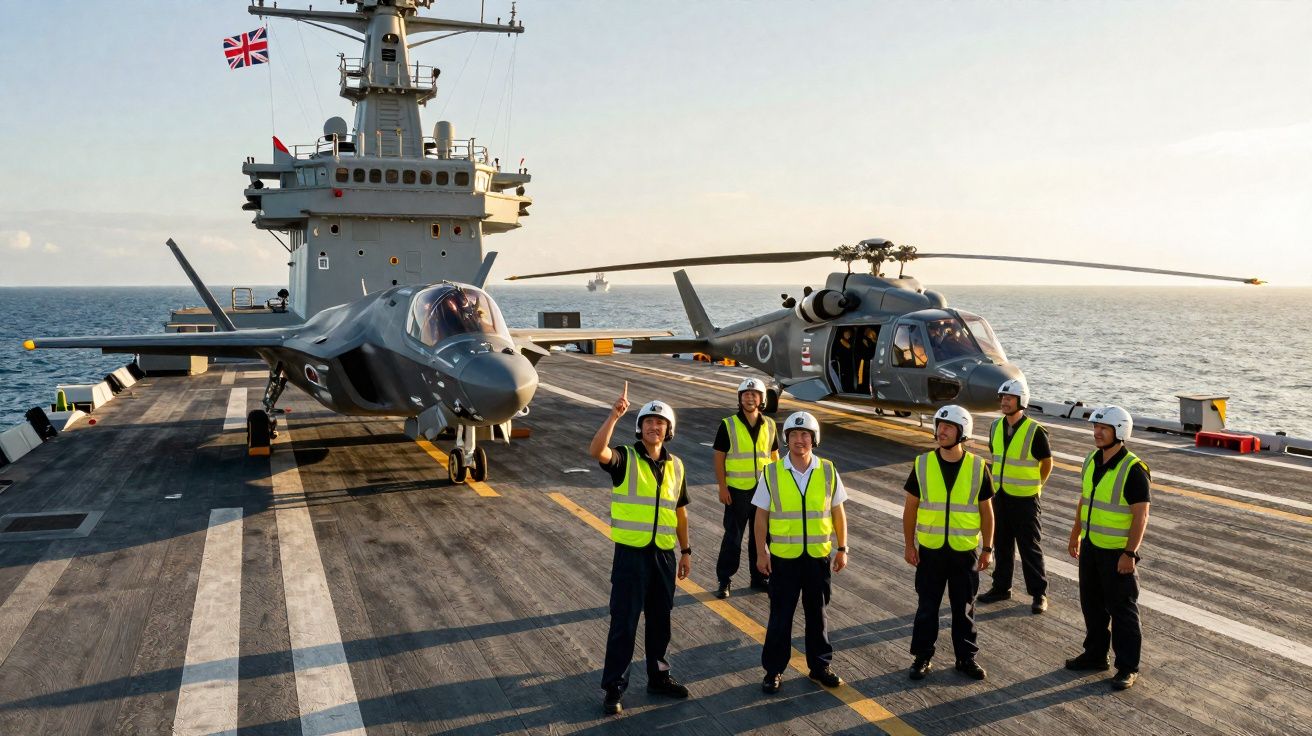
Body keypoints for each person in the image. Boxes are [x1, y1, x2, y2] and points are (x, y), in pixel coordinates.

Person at [589, 382, 692, 715]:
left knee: (661, 621)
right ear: (640, 427)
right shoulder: (625, 457)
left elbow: (680, 511)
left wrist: (686, 550)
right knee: (625, 622)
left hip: (663, 554)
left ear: (668, 429)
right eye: (648, 421)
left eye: (660, 422)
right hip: (631, 555)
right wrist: (613, 416)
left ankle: (658, 678)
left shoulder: (676, 466)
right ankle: (614, 688)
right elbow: (597, 451)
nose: (654, 426)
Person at [754, 411, 849, 694]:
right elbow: (761, 516)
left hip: (818, 558)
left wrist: (842, 547)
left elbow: (838, 512)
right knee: (780, 617)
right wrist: (762, 552)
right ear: (786, 440)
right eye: (794, 435)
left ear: (813, 439)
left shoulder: (828, 470)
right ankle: (773, 671)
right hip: (784, 559)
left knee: (817, 615)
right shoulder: (772, 472)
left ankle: (820, 666)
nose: (799, 440)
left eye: (805, 434)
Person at [903, 405, 995, 681]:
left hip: (964, 552)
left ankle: (965, 659)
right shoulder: (922, 463)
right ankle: (922, 657)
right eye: (939, 425)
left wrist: (988, 548)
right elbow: (911, 508)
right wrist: (909, 544)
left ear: (962, 432)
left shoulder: (978, 467)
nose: (940, 431)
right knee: (927, 607)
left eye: (948, 427)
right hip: (930, 551)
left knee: (964, 609)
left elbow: (987, 512)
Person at [1065, 405, 1151, 691]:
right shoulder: (1091, 460)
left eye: (1104, 428)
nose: (1097, 433)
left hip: (1117, 553)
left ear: (1120, 431)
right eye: (1095, 427)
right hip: (1091, 546)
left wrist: (1130, 553)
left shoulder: (1133, 469)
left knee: (1122, 610)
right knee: (1091, 604)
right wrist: (1076, 533)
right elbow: (1084, 500)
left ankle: (1128, 667)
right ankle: (1095, 655)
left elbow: (1141, 514)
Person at [979, 378, 1054, 613]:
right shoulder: (995, 426)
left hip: (1025, 499)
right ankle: (1001, 587)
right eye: (1002, 398)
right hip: (1000, 495)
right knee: (1002, 543)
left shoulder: (1035, 431)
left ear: (1021, 401)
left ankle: (1039, 594)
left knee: (1030, 547)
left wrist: (1037, 485)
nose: (1004, 402)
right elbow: (996, 458)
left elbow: (1047, 463)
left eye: (1009, 398)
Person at [713, 378, 778, 599]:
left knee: (762, 537)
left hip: (763, 490)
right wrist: (723, 487)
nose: (750, 398)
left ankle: (759, 577)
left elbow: (774, 456)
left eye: (754, 395)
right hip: (737, 491)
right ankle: (725, 580)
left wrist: (776, 488)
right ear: (740, 398)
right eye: (746, 394)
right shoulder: (728, 424)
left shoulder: (769, 425)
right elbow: (719, 457)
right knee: (733, 537)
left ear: (762, 400)